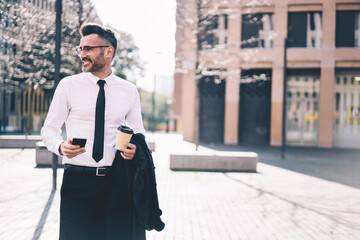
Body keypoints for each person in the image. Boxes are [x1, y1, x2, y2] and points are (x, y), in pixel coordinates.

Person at [41, 23, 146, 240]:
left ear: (109, 51)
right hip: (77, 182)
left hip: (116, 182)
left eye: (88, 48)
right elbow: (49, 129)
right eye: (81, 49)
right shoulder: (68, 86)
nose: (82, 54)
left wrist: (134, 148)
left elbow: (138, 133)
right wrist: (61, 147)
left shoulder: (129, 91)